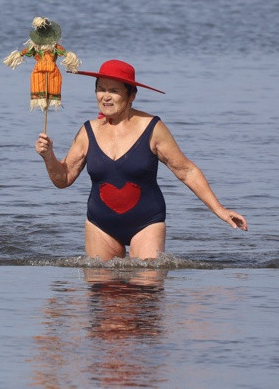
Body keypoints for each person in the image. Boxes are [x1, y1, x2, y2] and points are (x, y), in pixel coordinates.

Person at [35, 59, 247, 261]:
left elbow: (186, 171)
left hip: (147, 223)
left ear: (131, 95)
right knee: (103, 290)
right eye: (101, 89)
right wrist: (48, 156)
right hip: (100, 225)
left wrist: (219, 210)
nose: (105, 97)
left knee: (147, 292)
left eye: (114, 91)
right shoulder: (87, 131)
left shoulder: (152, 128)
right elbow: (63, 178)